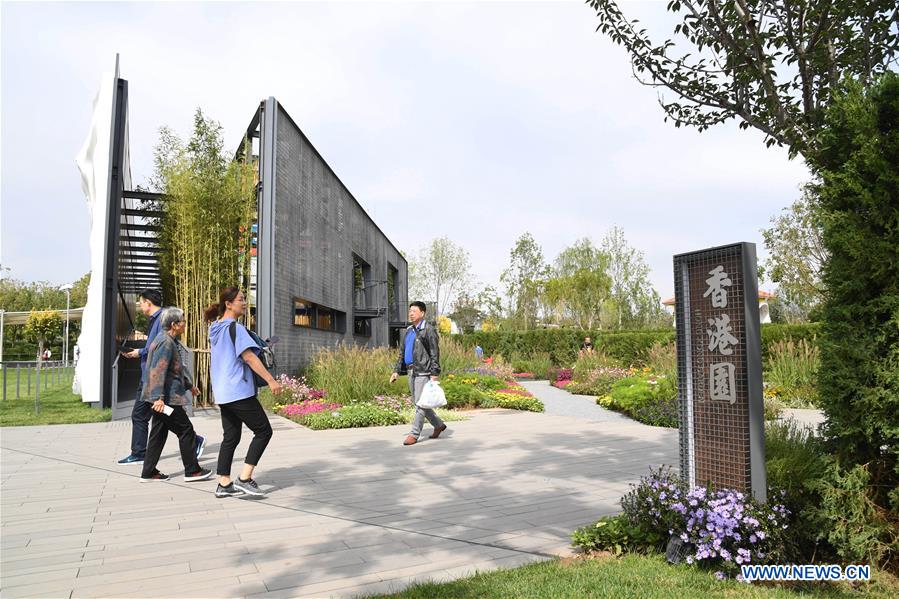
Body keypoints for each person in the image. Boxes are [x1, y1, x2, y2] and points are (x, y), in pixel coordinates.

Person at [205, 287, 283, 498]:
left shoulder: (215, 328)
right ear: (228, 304)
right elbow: (249, 357)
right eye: (241, 299)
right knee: (264, 431)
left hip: (222, 392)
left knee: (230, 437)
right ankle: (245, 479)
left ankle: (223, 483)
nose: (244, 303)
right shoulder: (235, 328)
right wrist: (270, 379)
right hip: (238, 390)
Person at [118, 289, 205, 465]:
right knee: (161, 420)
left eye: (141, 302)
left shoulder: (162, 321)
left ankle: (145, 454)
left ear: (148, 302)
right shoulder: (157, 321)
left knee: (152, 417)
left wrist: (138, 353)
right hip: (152, 381)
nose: (140, 305)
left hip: (153, 382)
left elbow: (159, 355)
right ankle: (149, 462)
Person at [139, 307, 213, 483]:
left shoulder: (166, 340)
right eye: (183, 321)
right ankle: (193, 471)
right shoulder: (166, 342)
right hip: (166, 400)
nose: (185, 325)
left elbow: (174, 370)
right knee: (186, 430)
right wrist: (158, 398)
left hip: (163, 398)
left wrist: (189, 386)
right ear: (174, 324)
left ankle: (148, 472)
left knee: (158, 433)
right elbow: (158, 371)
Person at [390, 301, 446, 446]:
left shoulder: (428, 329)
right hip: (410, 371)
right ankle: (438, 425)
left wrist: (434, 373)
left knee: (420, 405)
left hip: (423, 371)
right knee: (419, 403)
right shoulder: (409, 330)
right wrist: (396, 371)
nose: (411, 313)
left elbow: (435, 353)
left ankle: (414, 434)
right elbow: (402, 353)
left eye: (414, 311)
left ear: (422, 313)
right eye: (410, 311)